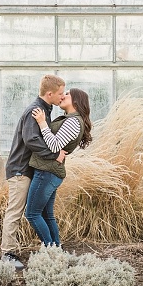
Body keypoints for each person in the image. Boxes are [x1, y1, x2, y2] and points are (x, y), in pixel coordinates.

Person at [0, 74, 66, 271]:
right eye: (60, 93)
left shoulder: (45, 110)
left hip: (27, 169)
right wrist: (53, 154)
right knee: (15, 211)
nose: (62, 97)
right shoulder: (35, 111)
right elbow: (31, 140)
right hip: (20, 169)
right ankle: (7, 254)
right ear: (50, 93)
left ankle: (50, 249)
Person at [25, 88, 93, 248]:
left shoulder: (73, 121)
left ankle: (51, 251)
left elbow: (54, 145)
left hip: (47, 172)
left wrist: (42, 122)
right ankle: (57, 250)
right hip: (50, 171)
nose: (63, 96)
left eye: (67, 94)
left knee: (32, 214)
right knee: (47, 215)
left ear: (76, 100)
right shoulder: (71, 119)